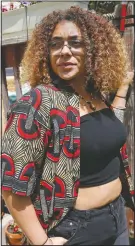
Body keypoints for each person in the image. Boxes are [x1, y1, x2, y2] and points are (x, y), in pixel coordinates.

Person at [2, 6, 134, 245]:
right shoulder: (38, 102)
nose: (64, 51)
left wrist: (125, 203)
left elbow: (105, 136)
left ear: (93, 49)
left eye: (75, 42)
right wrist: (41, 242)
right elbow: (11, 184)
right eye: (55, 44)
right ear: (45, 52)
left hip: (117, 219)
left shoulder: (95, 94)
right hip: (74, 230)